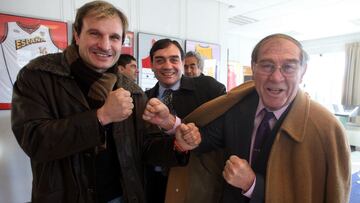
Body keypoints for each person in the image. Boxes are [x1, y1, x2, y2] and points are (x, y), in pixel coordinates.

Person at [11, 1, 199, 203]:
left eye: (114, 37)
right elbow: (34, 141)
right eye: (95, 34)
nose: (105, 45)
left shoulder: (131, 89)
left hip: (121, 196)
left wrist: (178, 144)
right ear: (77, 34)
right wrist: (101, 117)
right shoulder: (38, 76)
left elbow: (145, 148)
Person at [178, 33, 351, 202]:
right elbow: (205, 140)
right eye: (267, 65)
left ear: (302, 71)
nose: (276, 77)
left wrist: (252, 185)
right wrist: (181, 133)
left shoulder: (326, 129)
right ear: (254, 68)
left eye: (288, 67)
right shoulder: (237, 107)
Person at [145, 38, 226, 203]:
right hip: (156, 182)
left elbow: (224, 132)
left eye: (174, 59)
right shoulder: (144, 100)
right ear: (151, 65)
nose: (167, 66)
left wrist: (176, 127)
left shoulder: (209, 88)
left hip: (196, 182)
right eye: (159, 60)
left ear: (182, 62)